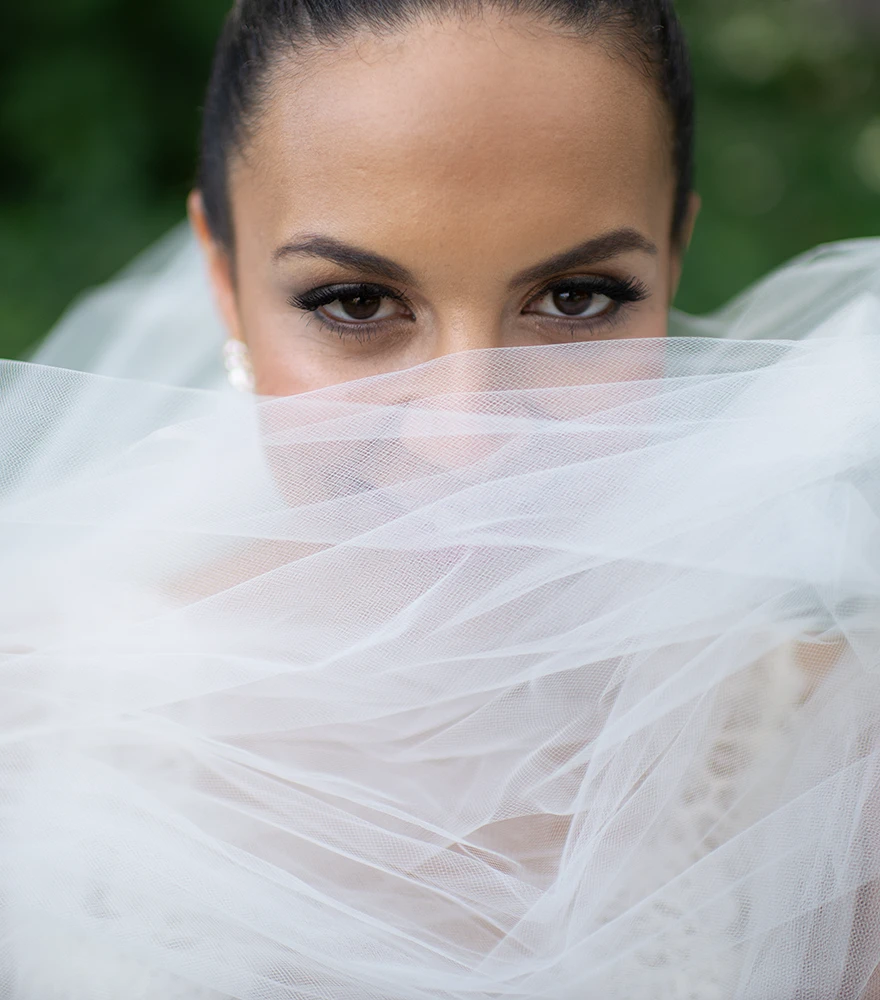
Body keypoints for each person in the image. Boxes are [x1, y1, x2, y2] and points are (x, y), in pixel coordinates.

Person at [3, 1, 880, 998]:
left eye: (577, 297)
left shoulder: (831, 767)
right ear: (222, 275)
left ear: (671, 255)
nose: (465, 442)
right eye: (356, 304)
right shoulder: (26, 742)